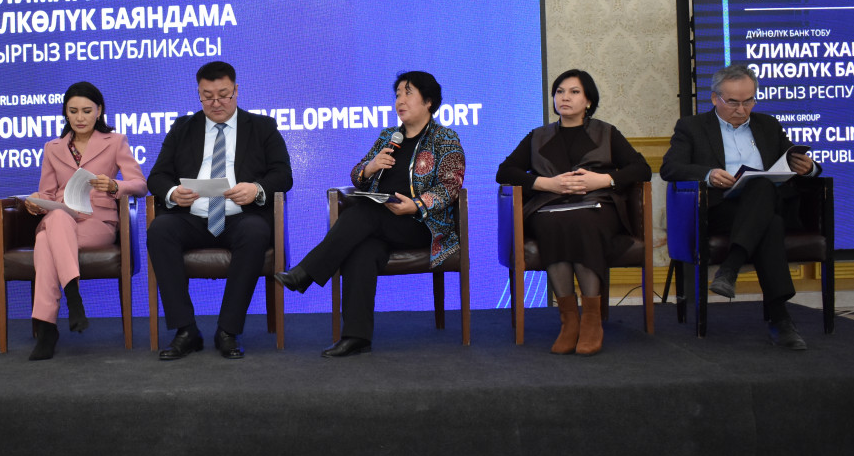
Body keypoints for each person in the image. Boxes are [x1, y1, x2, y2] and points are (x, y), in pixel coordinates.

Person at [276, 71, 465, 357]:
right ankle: (357, 337)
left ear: (428, 101)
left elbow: (451, 185)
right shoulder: (390, 137)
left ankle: (306, 272)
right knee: (362, 248)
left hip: (422, 224)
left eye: (408, 93)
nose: (400, 101)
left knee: (364, 212)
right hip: (382, 224)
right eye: (397, 95)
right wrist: (371, 167)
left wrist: (415, 205)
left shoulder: (445, 138)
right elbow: (357, 175)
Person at [660, 63, 818, 350]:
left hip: (768, 202)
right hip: (721, 209)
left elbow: (792, 159)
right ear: (715, 98)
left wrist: (809, 168)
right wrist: (708, 174)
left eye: (749, 101)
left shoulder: (768, 125)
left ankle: (730, 268)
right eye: (733, 102)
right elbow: (670, 168)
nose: (742, 109)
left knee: (761, 186)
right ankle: (781, 320)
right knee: (770, 223)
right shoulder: (692, 127)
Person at [495, 69, 651, 356]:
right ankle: (569, 320)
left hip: (597, 205)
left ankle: (591, 319)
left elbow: (642, 169)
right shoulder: (538, 136)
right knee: (554, 223)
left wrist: (603, 180)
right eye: (559, 92)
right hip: (549, 206)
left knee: (582, 221)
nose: (564, 97)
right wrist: (547, 183)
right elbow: (504, 172)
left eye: (574, 92)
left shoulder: (606, 132)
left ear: (588, 101)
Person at [146, 61, 293, 360]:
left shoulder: (262, 127)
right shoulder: (182, 127)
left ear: (236, 90)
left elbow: (283, 175)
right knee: (159, 230)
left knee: (255, 231)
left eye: (223, 95)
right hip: (191, 217)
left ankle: (228, 330)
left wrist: (256, 189)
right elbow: (157, 176)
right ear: (198, 94)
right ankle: (186, 330)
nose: (216, 103)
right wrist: (173, 193)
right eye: (207, 96)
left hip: (241, 217)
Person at [21, 82, 147, 360]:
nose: (80, 118)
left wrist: (114, 185)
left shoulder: (115, 141)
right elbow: (47, 193)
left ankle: (48, 326)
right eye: (73, 111)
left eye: (87, 111)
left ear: (99, 111)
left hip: (97, 222)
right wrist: (35, 200)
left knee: (44, 240)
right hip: (61, 218)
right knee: (54, 220)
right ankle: (72, 300)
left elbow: (140, 185)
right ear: (65, 112)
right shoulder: (52, 147)